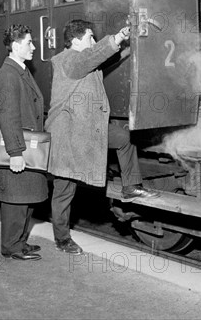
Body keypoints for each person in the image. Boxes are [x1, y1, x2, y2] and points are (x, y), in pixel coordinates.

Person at [46, 19, 159, 255]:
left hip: (88, 129)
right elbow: (89, 58)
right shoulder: (68, 60)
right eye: (90, 37)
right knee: (64, 190)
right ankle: (62, 238)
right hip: (67, 134)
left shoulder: (83, 60)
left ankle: (131, 187)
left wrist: (129, 43)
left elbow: (100, 58)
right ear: (76, 41)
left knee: (125, 138)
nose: (93, 41)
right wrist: (116, 37)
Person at [0, 24, 48, 261]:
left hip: (26, 142)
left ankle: (20, 241)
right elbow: (9, 116)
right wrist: (15, 152)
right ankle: (11, 245)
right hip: (19, 145)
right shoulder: (9, 74)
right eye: (29, 43)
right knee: (16, 197)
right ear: (15, 46)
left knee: (26, 196)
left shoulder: (19, 70)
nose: (33, 47)